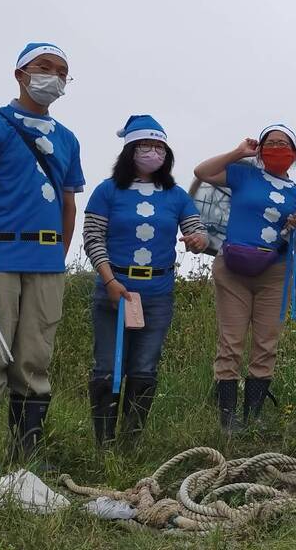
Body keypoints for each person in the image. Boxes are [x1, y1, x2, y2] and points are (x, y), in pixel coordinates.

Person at [0, 42, 85, 472]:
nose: (54, 77)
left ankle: (28, 452)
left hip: (46, 262)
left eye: (62, 72)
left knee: (35, 355)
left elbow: (69, 205)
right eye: (43, 67)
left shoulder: (67, 139)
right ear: (20, 74)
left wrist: (58, 258)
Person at [82, 115, 209, 447]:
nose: (153, 152)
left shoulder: (177, 195)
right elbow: (93, 237)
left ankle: (131, 442)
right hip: (114, 290)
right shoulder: (107, 191)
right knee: (108, 367)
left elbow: (196, 230)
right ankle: (104, 444)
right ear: (129, 150)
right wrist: (109, 281)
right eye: (145, 146)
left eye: (159, 147)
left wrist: (198, 240)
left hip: (158, 294)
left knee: (144, 368)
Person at [194, 124, 296, 432]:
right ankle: (228, 420)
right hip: (233, 267)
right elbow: (202, 171)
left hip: (275, 271)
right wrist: (237, 152)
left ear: (294, 154)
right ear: (259, 149)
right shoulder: (244, 174)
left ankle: (252, 417)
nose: (276, 148)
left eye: (284, 144)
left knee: (266, 343)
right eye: (270, 143)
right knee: (230, 342)